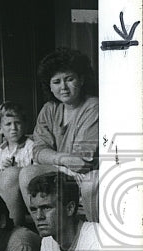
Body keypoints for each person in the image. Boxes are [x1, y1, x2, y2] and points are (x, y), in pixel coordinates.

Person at [19, 48, 100, 222]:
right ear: (49, 85)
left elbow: (81, 162)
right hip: (60, 171)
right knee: (25, 173)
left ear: (82, 79)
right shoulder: (50, 108)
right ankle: (42, 227)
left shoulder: (93, 106)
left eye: (69, 79)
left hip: (85, 175)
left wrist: (51, 156)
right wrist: (62, 158)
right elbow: (38, 151)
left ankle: (87, 233)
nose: (63, 87)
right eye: (56, 81)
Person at [27, 173, 101, 251]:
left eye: (46, 208)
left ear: (70, 208)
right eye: (34, 209)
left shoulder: (95, 238)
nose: (39, 216)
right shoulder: (47, 242)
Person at [0, 101, 36, 226]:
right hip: (9, 196)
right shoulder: (1, 150)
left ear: (25, 125)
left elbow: (34, 174)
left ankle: (14, 227)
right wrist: (3, 172)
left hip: (27, 195)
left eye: (18, 123)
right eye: (8, 124)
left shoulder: (30, 146)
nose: (13, 128)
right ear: (0, 129)